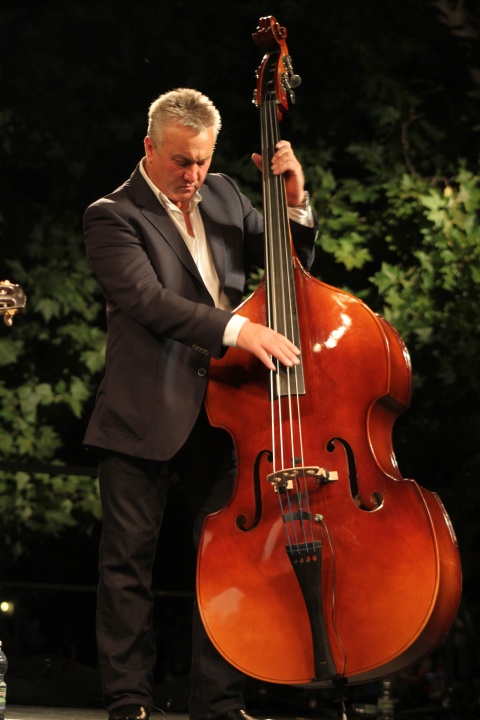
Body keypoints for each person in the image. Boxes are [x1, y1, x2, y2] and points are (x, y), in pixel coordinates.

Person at [83, 88, 316, 720]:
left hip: (225, 413)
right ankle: (129, 702)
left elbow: (290, 272)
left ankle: (217, 703)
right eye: (181, 161)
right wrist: (239, 330)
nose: (193, 175)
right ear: (149, 147)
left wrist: (293, 202)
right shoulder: (112, 215)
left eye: (203, 161)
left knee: (225, 565)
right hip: (143, 413)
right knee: (127, 567)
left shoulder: (226, 195)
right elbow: (149, 302)